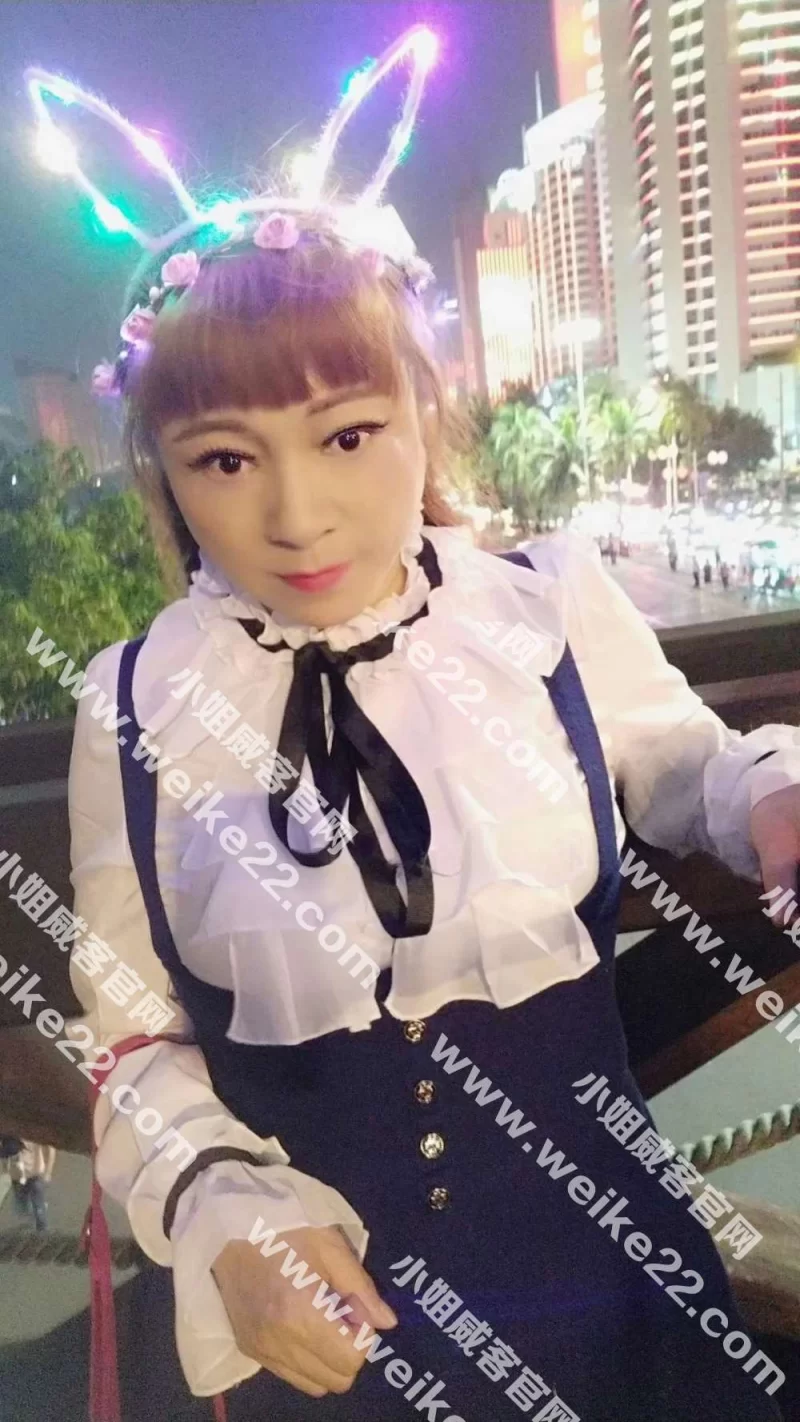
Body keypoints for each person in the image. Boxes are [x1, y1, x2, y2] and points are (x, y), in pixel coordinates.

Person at [51, 41, 800, 1422]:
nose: (296, 515)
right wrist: (222, 1212)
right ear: (165, 467)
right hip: (318, 1349)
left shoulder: (546, 605)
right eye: (226, 457)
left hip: (615, 1293)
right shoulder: (133, 703)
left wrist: (770, 798)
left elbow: (688, 765)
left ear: (421, 408)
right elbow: (132, 1045)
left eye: (346, 434)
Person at [6, 1140, 55, 1232]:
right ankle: (37, 1212)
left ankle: (42, 1232)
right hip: (17, 1177)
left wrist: (48, 1172)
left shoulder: (34, 1134)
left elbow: (50, 1149)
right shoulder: (9, 1136)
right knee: (22, 1209)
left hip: (35, 1175)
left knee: (39, 1211)